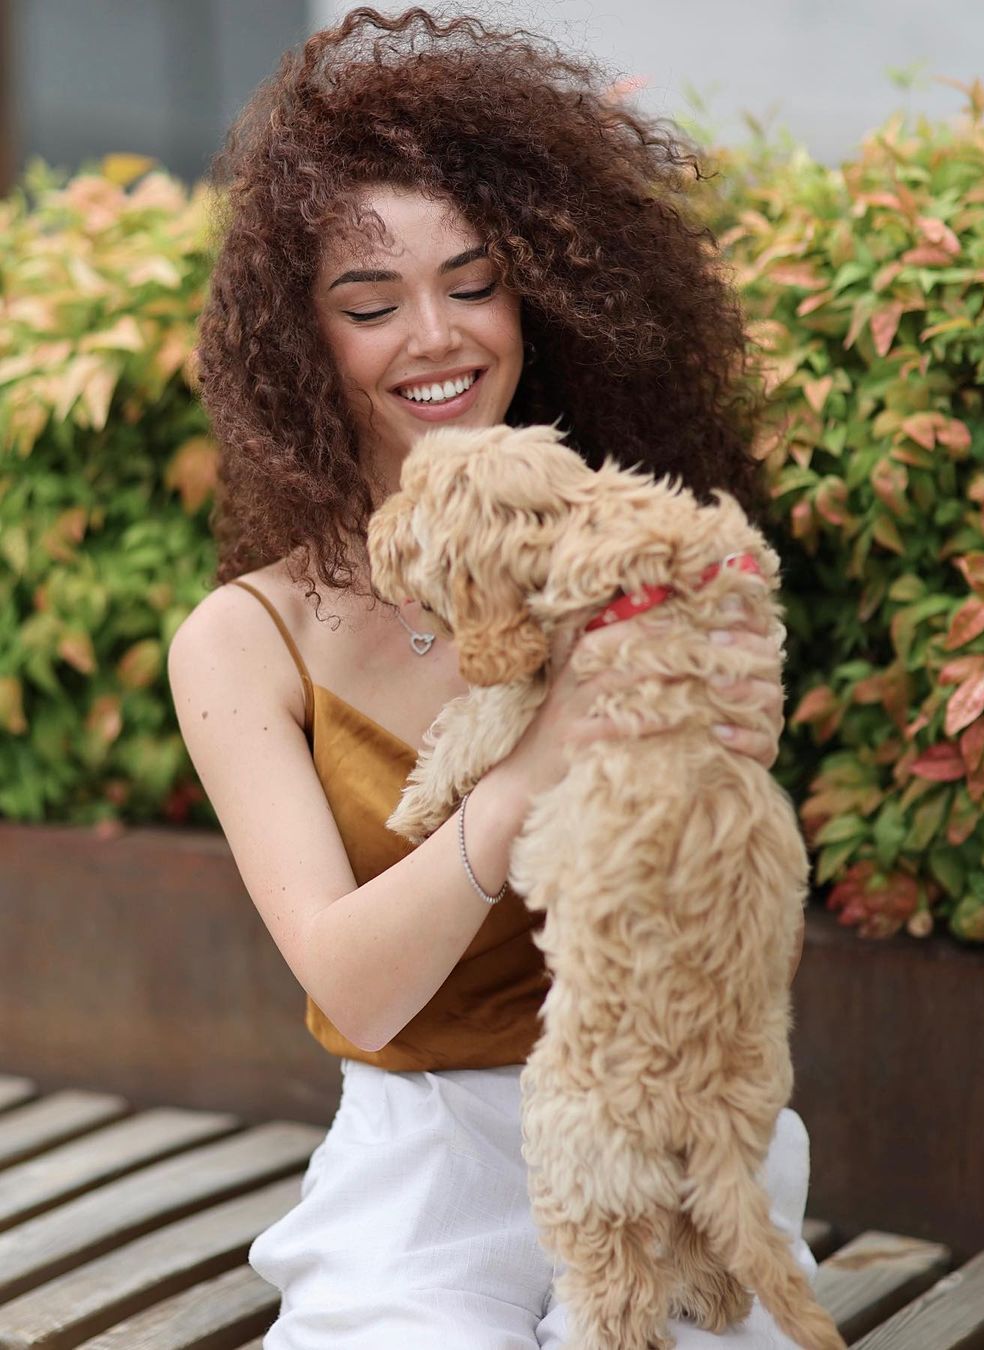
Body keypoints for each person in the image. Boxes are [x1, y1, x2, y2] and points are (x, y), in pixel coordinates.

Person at [168, 8, 814, 1347]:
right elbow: (356, 989)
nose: (437, 337)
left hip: (663, 1142)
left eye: (475, 282)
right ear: (300, 342)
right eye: (369, 302)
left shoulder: (631, 555)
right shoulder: (241, 641)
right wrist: (530, 766)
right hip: (422, 1181)